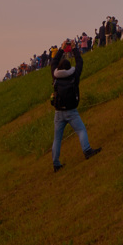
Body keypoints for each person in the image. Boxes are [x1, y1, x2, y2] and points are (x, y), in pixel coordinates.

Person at [50, 42, 101, 173]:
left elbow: (53, 63)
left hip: (58, 111)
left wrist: (61, 49)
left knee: (57, 138)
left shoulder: (55, 76)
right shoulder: (74, 75)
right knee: (81, 130)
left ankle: (56, 164)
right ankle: (87, 151)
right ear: (68, 68)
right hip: (71, 111)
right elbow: (80, 62)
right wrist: (74, 48)